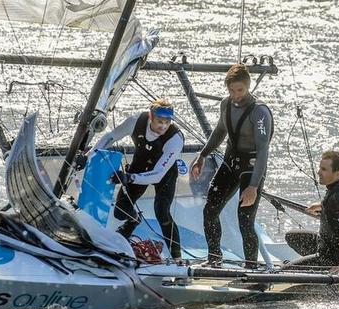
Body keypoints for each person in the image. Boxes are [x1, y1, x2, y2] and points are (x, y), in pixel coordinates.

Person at [191, 63, 273, 267]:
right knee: (210, 209)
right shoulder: (225, 104)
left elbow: (263, 151)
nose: (236, 95)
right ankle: (214, 259)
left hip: (252, 168)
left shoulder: (259, 112)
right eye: (231, 90)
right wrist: (203, 154)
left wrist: (253, 187)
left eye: (240, 90)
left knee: (244, 219)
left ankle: (251, 267)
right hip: (230, 162)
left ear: (248, 86)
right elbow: (220, 131)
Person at [90, 98, 184, 261]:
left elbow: (157, 174)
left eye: (167, 122)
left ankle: (177, 258)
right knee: (120, 212)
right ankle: (134, 220)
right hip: (140, 165)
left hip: (164, 173)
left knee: (162, 212)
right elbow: (110, 137)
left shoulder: (175, 138)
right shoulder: (136, 121)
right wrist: (88, 155)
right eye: (159, 121)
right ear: (150, 117)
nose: (163, 126)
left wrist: (129, 177)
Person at [284, 151, 339, 273]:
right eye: (320, 168)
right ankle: (310, 266)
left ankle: (320, 269)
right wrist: (322, 206)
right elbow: (338, 210)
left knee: (285, 271)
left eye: (324, 169)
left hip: (330, 258)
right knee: (292, 237)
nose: (318, 172)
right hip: (324, 245)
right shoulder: (337, 190)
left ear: (337, 174)